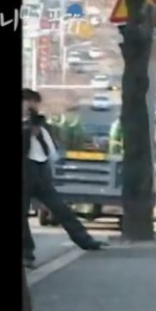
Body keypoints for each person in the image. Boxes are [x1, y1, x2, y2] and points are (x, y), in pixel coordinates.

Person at [23, 89, 105, 268]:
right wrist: (27, 131)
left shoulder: (39, 124)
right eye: (30, 103)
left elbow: (51, 150)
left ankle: (84, 240)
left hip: (41, 170)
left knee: (61, 209)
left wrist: (37, 130)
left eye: (34, 104)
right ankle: (27, 253)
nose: (32, 107)